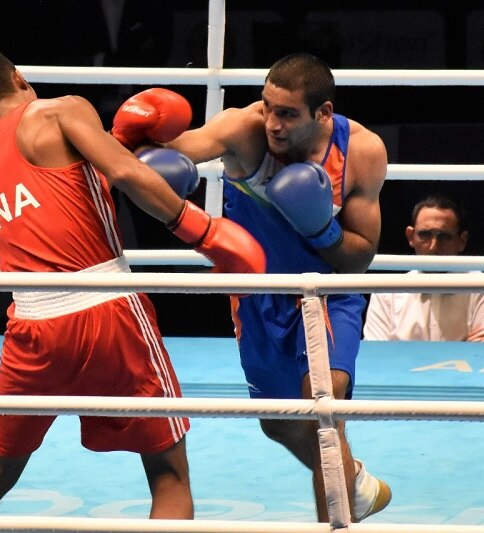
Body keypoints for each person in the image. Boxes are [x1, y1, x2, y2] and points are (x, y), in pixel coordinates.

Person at [0, 45, 266, 518]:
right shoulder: (60, 111)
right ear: (17, 76)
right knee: (168, 473)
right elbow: (124, 172)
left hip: (32, 328)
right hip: (107, 309)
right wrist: (204, 232)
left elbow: (63, 196)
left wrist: (112, 137)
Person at [111, 52, 390, 522]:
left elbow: (360, 258)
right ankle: (354, 483)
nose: (273, 125)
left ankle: (337, 520)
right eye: (268, 107)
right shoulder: (243, 130)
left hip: (325, 294)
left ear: (323, 113)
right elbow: (177, 152)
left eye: (288, 114)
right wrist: (133, 139)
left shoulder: (361, 150)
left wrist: (321, 228)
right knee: (279, 425)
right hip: (257, 300)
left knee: (324, 412)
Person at [363, 195, 484, 342]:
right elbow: (377, 358)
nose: (433, 246)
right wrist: (464, 349)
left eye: (444, 237)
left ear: (462, 241)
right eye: (425, 235)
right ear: (411, 236)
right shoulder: (386, 293)